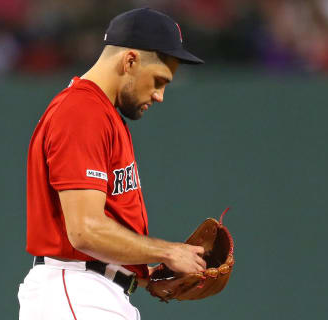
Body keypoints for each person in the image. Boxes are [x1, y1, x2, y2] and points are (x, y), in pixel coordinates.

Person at [18, 8, 206, 320]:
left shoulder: (100, 113)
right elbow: (85, 230)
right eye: (159, 80)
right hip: (77, 291)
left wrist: (141, 270)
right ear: (130, 60)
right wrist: (168, 252)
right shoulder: (82, 111)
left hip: (92, 291)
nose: (159, 95)